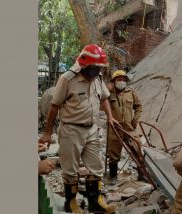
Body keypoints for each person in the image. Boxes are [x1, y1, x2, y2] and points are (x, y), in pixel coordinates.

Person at [38, 44, 121, 214]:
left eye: (99, 67)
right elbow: (54, 106)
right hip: (71, 130)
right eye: (94, 67)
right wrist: (47, 132)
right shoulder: (67, 79)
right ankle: (71, 203)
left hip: (91, 129)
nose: (97, 70)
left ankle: (95, 201)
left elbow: (104, 98)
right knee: (70, 169)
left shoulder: (97, 78)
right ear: (84, 65)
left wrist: (111, 117)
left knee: (96, 166)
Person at [105, 70, 143, 179]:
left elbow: (139, 106)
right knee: (113, 156)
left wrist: (135, 119)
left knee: (138, 149)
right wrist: (105, 92)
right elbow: (99, 105)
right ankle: (113, 177)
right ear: (114, 81)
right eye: (119, 79)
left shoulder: (131, 92)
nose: (122, 81)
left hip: (129, 128)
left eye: (123, 79)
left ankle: (142, 175)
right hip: (114, 129)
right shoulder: (108, 94)